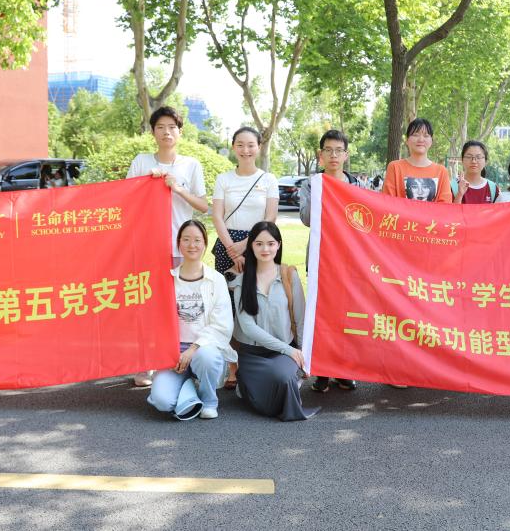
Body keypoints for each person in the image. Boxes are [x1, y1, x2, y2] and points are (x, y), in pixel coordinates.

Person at [127, 105, 209, 387]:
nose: (166, 132)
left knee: (181, 306)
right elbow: (125, 200)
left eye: (172, 127)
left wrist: (179, 189)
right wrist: (145, 185)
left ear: (180, 132)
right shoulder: (141, 162)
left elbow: (203, 206)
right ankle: (145, 363)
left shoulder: (191, 165)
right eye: (160, 127)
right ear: (152, 132)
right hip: (147, 247)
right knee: (147, 307)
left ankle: (178, 360)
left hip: (182, 249)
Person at [147, 221, 236, 421]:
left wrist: (193, 349)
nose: (192, 245)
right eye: (186, 239)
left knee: (206, 357)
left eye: (197, 240)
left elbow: (222, 325)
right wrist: (167, 353)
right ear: (179, 244)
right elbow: (157, 323)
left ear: (205, 243)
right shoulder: (167, 279)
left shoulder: (216, 280)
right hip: (173, 352)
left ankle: (209, 401)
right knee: (162, 402)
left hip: (203, 349)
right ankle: (188, 388)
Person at [230, 221, 318, 421]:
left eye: (270, 243)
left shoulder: (289, 275)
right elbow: (248, 328)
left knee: (281, 377)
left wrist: (302, 355)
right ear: (251, 246)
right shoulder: (241, 281)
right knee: (273, 383)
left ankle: (281, 384)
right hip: (252, 353)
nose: (265, 249)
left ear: (278, 245)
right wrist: (289, 350)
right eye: (259, 244)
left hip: (282, 352)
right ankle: (253, 385)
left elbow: (300, 318)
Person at [298, 130, 359, 393]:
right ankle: (322, 371)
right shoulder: (311, 184)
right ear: (320, 154)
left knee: (347, 315)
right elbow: (306, 218)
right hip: (320, 257)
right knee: (321, 314)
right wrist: (326, 193)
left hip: (351, 259)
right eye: (328, 150)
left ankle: (344, 370)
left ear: (346, 155)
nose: (334, 155)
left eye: (339, 150)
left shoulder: (357, 185)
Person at [211, 127, 279, 277]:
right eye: (240, 145)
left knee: (257, 289)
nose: (245, 150)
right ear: (233, 147)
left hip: (259, 243)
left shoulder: (269, 179)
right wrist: (233, 251)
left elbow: (271, 217)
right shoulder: (223, 179)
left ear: (259, 147)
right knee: (227, 290)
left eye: (251, 145)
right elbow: (217, 217)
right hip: (228, 243)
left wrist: (247, 243)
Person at [383, 118, 453, 203]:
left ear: (431, 141)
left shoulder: (442, 171)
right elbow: (387, 203)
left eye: (426, 135)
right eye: (415, 135)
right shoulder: (394, 167)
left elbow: (445, 206)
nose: (421, 139)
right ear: (407, 140)